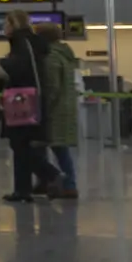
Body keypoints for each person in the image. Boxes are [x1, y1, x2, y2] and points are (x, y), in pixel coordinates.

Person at [0, 10, 61, 203]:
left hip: (22, 99)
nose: (4, 27)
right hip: (34, 98)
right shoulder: (33, 42)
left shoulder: (21, 42)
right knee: (23, 143)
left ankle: (50, 174)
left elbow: (19, 69)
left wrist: (4, 63)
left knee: (19, 143)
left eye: (6, 23)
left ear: (13, 24)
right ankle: (22, 190)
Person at [36, 23, 79, 199]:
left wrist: (44, 107)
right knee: (59, 147)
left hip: (56, 110)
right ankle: (51, 182)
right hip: (67, 106)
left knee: (56, 148)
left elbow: (52, 86)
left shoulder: (51, 57)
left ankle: (67, 184)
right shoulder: (65, 55)